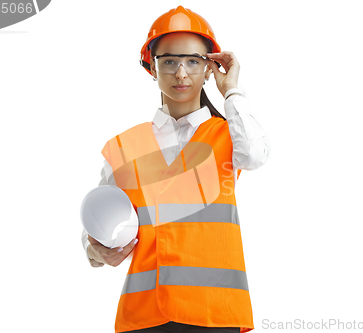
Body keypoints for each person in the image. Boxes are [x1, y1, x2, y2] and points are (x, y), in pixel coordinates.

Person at [81, 6, 271, 333]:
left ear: (210, 67)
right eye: (169, 61)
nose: (181, 73)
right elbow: (99, 225)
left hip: (216, 314)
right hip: (144, 316)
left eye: (193, 61)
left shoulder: (228, 134)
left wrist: (232, 91)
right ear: (151, 69)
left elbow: (256, 155)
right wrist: (94, 250)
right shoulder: (124, 148)